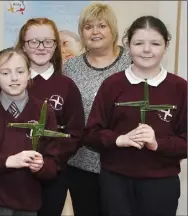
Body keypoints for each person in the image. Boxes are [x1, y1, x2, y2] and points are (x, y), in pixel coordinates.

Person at [85, 15, 187, 216]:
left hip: (161, 184)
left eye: (155, 43)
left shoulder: (180, 88)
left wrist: (158, 143)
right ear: (128, 45)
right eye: (139, 43)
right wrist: (119, 139)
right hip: (116, 182)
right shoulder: (112, 85)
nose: (147, 50)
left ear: (166, 45)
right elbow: (90, 134)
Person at [0, 47, 59, 216]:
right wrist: (10, 160)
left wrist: (41, 166)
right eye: (5, 73)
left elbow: (53, 165)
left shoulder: (44, 110)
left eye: (20, 71)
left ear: (29, 73)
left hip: (26, 202)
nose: (14, 78)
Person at [63, 3, 132, 215]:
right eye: (88, 26)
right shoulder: (70, 67)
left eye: (102, 25)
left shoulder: (131, 61)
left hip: (124, 162)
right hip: (81, 163)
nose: (95, 32)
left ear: (113, 29)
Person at [15, 17, 85, 216]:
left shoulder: (67, 86)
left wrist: (50, 160)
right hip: (14, 174)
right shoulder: (10, 82)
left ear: (55, 45)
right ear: (23, 46)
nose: (41, 47)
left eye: (47, 41)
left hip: (53, 174)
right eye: (33, 41)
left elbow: (76, 132)